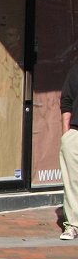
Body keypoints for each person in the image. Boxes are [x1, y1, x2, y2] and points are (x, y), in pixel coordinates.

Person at [59, 63, 78, 240]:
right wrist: (66, 134)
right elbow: (66, 101)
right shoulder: (76, 69)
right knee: (72, 182)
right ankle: (73, 225)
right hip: (75, 133)